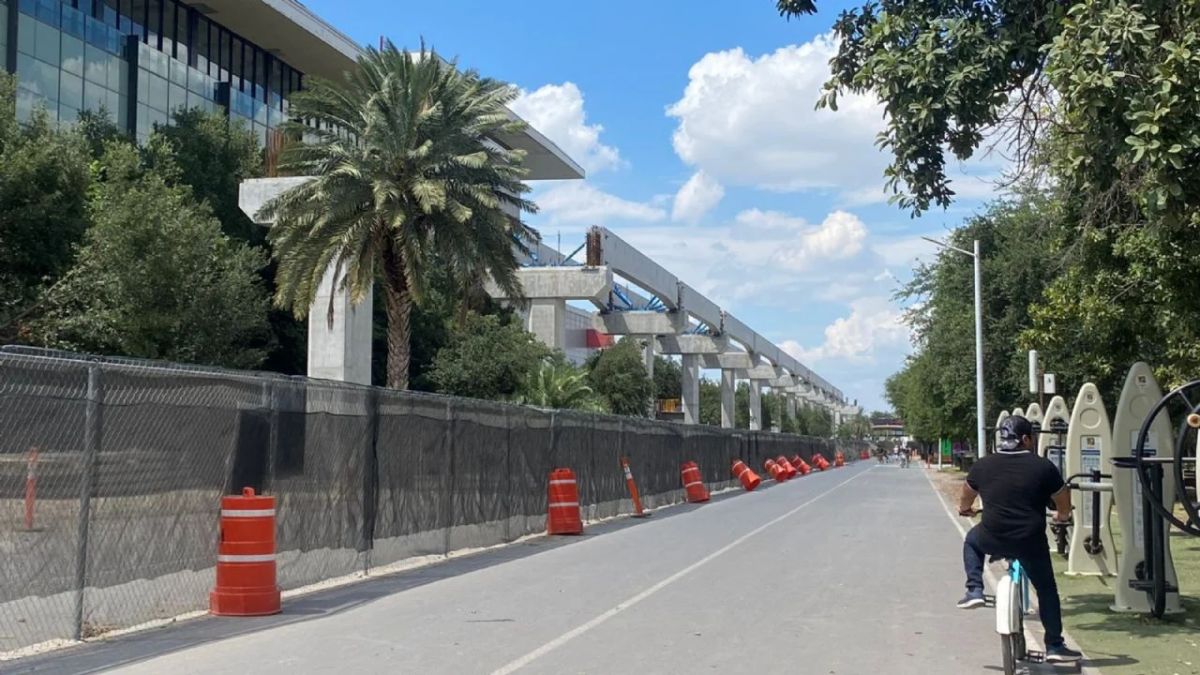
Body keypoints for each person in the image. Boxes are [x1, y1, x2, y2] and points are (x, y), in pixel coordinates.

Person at [956, 415, 1082, 663]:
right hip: (1030, 541)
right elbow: (1062, 497)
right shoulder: (1043, 466)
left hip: (992, 535)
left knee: (972, 540)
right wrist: (1062, 515)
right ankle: (1054, 645)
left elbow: (967, 493)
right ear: (1026, 439)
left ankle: (974, 590)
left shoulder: (983, 465)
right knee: (1046, 590)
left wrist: (965, 509)